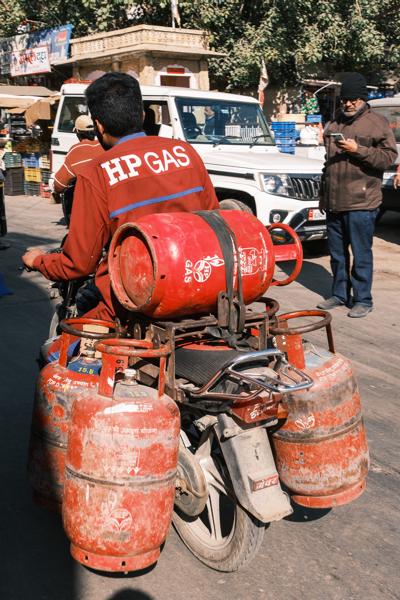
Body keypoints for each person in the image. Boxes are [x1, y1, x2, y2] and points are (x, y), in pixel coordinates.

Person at [22, 72, 219, 322]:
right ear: (143, 116)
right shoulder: (186, 152)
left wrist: (38, 260)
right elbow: (214, 221)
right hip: (202, 284)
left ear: (99, 125)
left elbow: (78, 264)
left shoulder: (96, 172)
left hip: (134, 302)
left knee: (64, 348)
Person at [317, 72, 397, 318]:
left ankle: (363, 299)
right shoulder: (336, 122)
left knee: (361, 254)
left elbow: (388, 157)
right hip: (334, 202)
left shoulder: (377, 123)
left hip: (362, 202)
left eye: (354, 100)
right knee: (337, 254)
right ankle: (340, 294)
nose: (348, 104)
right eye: (345, 100)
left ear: (363, 99)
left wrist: (357, 150)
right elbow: (328, 164)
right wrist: (323, 197)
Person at [53, 114, 104, 194]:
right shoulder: (104, 146)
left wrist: (55, 189)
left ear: (78, 132)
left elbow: (59, 185)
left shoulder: (75, 151)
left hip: (87, 201)